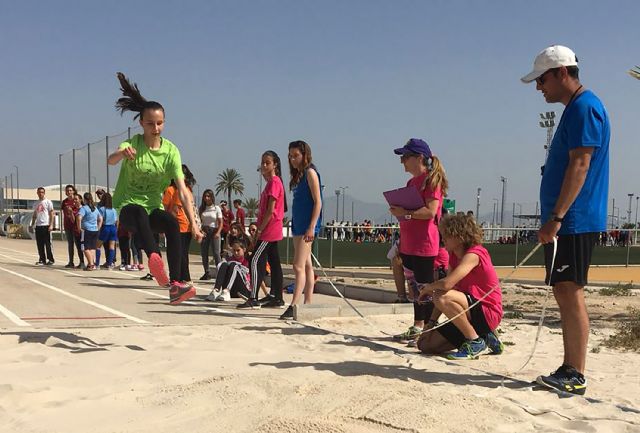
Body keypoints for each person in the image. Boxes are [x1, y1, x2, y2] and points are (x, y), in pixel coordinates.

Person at [521, 45, 610, 395]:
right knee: (564, 290)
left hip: (573, 219)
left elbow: (581, 164)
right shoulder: (575, 109)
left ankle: (575, 372)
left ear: (561, 73)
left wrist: (556, 217)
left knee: (569, 291)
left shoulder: (585, 107)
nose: (538, 87)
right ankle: (570, 368)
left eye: (541, 79)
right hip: (568, 219)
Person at [108, 72, 203, 305]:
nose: (156, 128)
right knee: (139, 212)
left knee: (170, 222)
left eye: (159, 123)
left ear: (164, 123)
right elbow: (110, 160)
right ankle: (153, 258)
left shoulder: (171, 151)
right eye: (150, 123)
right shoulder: (133, 144)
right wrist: (121, 154)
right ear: (141, 123)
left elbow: (182, 191)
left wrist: (193, 224)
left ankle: (177, 285)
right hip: (128, 208)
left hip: (152, 208)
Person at [416, 214, 504, 359]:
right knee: (425, 345)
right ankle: (484, 335)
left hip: (487, 310)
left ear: (460, 236)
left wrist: (427, 288)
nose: (443, 238)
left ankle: (474, 340)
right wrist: (431, 323)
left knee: (441, 295)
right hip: (469, 310)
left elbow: (446, 285)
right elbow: (447, 288)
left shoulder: (475, 254)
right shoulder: (454, 255)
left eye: (447, 235)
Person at [389, 138, 447, 345]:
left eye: (405, 157)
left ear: (419, 158)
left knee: (425, 288)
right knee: (414, 287)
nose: (402, 161)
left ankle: (427, 328)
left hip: (424, 244)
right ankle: (417, 325)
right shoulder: (410, 183)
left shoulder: (431, 180)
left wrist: (406, 212)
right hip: (409, 242)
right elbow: (410, 214)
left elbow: (430, 211)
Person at [237, 151, 286, 309]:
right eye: (262, 163)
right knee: (274, 262)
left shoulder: (274, 183)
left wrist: (258, 231)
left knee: (255, 259)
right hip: (270, 228)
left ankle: (253, 297)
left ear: (275, 164)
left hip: (269, 230)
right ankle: (276, 296)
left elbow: (270, 211)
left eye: (267, 163)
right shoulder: (270, 183)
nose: (264, 165)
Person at [280, 140, 323, 320]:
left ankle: (294, 304)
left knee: (297, 265)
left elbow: (318, 202)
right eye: (290, 156)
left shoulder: (310, 173)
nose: (293, 159)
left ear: (305, 155)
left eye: (296, 155)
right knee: (306, 265)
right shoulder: (297, 176)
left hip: (308, 226)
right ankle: (308, 304)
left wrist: (312, 226)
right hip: (297, 225)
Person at [163, 164, 198, 284]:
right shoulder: (188, 189)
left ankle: (180, 277)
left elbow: (172, 210)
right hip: (186, 226)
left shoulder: (175, 190)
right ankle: (182, 277)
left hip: (178, 226)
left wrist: (165, 226)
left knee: (176, 253)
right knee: (182, 253)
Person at [198, 189, 223, 280]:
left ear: (212, 197)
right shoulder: (201, 209)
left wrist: (218, 232)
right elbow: (199, 221)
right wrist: (200, 230)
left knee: (216, 253)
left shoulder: (216, 208)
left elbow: (221, 222)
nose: (206, 198)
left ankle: (220, 272)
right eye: (205, 196)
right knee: (204, 253)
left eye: (208, 196)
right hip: (204, 230)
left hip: (214, 231)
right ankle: (207, 272)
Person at [77, 192, 103, 271]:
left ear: (84, 199)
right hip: (95, 230)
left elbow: (79, 218)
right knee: (92, 247)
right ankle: (91, 263)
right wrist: (98, 227)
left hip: (87, 230)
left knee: (85, 248)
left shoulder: (84, 208)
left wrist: (79, 227)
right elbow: (100, 219)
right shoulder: (95, 208)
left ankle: (91, 264)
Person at [30, 187, 55, 266]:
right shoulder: (36, 203)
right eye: (39, 192)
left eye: (42, 192)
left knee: (47, 244)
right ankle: (42, 259)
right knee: (39, 244)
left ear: (44, 193)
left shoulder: (48, 202)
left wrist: (51, 225)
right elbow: (34, 215)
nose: (40, 194)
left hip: (46, 225)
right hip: (38, 225)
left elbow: (51, 214)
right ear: (37, 193)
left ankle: (50, 259)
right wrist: (32, 224)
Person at [96, 192, 118, 269]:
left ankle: (97, 264)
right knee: (111, 247)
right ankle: (110, 264)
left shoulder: (102, 209)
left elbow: (100, 219)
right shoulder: (114, 210)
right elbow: (116, 221)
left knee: (98, 246)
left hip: (105, 227)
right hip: (113, 228)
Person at [61, 184, 80, 268]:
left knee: (78, 244)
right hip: (67, 225)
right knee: (70, 244)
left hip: (76, 225)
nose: (69, 192)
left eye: (70, 190)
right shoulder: (64, 202)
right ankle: (71, 262)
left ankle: (82, 262)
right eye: (67, 190)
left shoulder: (76, 201)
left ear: (73, 191)